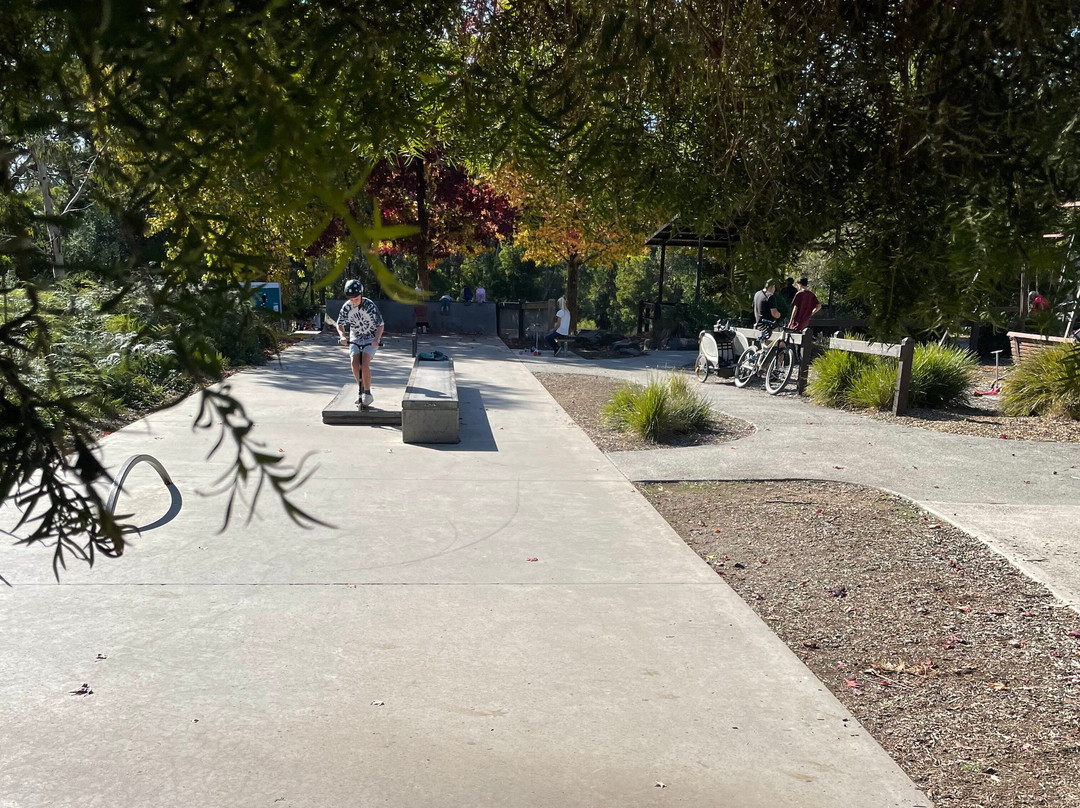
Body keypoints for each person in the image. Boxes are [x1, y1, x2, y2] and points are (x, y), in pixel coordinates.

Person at [335, 279, 384, 408]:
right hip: (355, 338)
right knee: (354, 363)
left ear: (361, 295)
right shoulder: (347, 307)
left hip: (370, 339)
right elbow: (340, 324)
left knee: (364, 363)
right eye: (351, 299)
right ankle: (361, 389)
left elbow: (380, 325)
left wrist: (376, 339)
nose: (354, 302)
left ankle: (367, 393)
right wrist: (342, 336)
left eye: (356, 299)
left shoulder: (370, 306)